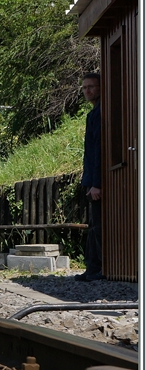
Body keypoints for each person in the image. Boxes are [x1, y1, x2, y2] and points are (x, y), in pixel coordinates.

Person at [76, 71, 103, 281]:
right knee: (94, 225)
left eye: (91, 87)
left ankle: (98, 268)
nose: (87, 91)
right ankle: (93, 267)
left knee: (98, 226)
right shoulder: (93, 114)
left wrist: (96, 183)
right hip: (92, 180)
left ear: (100, 88)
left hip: (97, 181)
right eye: (85, 87)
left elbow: (99, 151)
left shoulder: (100, 114)